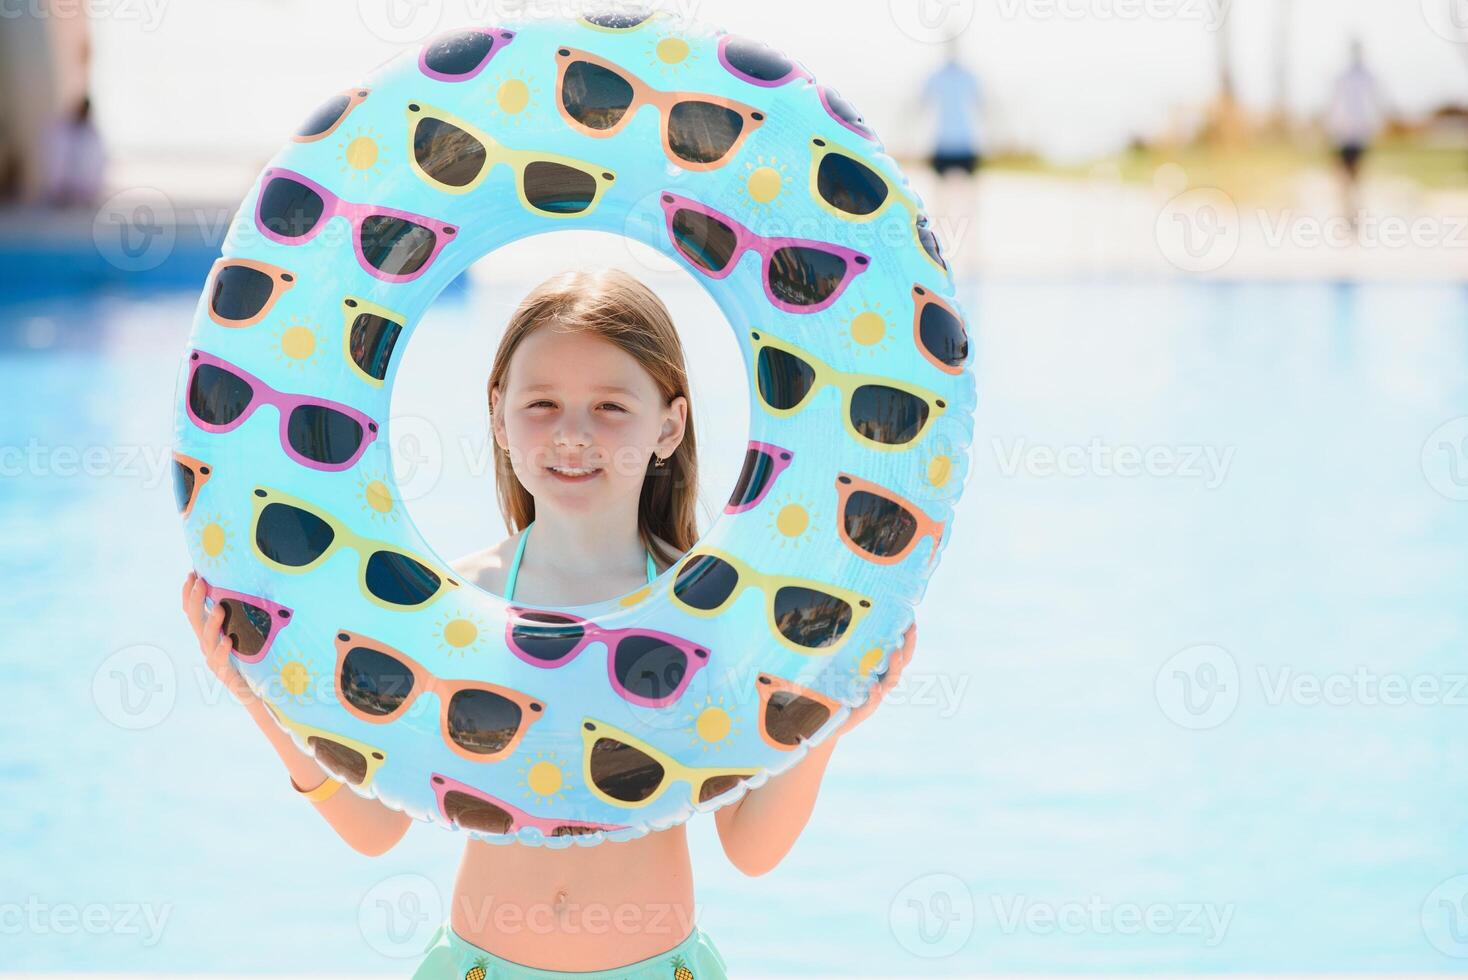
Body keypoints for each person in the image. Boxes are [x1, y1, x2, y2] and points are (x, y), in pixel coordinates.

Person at [181, 268, 918, 978]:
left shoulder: (712, 608)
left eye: (609, 407)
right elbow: (377, 827)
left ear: (669, 425)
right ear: (499, 416)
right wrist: (255, 693)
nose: (572, 434)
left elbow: (751, 846)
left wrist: (827, 724)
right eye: (541, 405)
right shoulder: (458, 602)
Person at [919, 36, 983, 274]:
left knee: (971, 203)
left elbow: (983, 106)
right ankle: (941, 252)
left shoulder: (969, 76)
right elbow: (920, 106)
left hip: (965, 143)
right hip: (944, 143)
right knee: (941, 204)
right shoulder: (935, 76)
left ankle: (973, 253)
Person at [1326, 39, 1386, 231]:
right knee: (1347, 177)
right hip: (1345, 133)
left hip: (1357, 133)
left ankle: (1353, 213)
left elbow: (1375, 103)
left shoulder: (1365, 76)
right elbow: (1335, 105)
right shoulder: (1343, 76)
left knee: (1353, 177)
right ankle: (1349, 213)